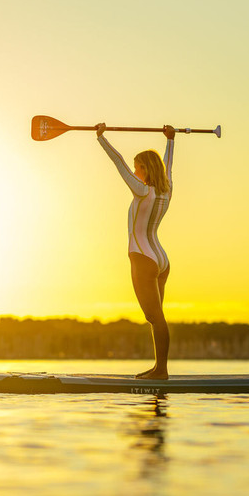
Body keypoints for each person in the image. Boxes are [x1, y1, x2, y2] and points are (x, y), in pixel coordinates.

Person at [96, 123, 176, 379]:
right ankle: (158, 368)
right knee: (156, 317)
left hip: (143, 258)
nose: (133, 170)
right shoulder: (167, 189)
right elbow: (168, 164)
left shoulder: (142, 191)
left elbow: (118, 162)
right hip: (161, 257)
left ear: (145, 169)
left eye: (137, 166)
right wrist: (171, 141)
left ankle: (161, 371)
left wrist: (101, 137)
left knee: (154, 316)